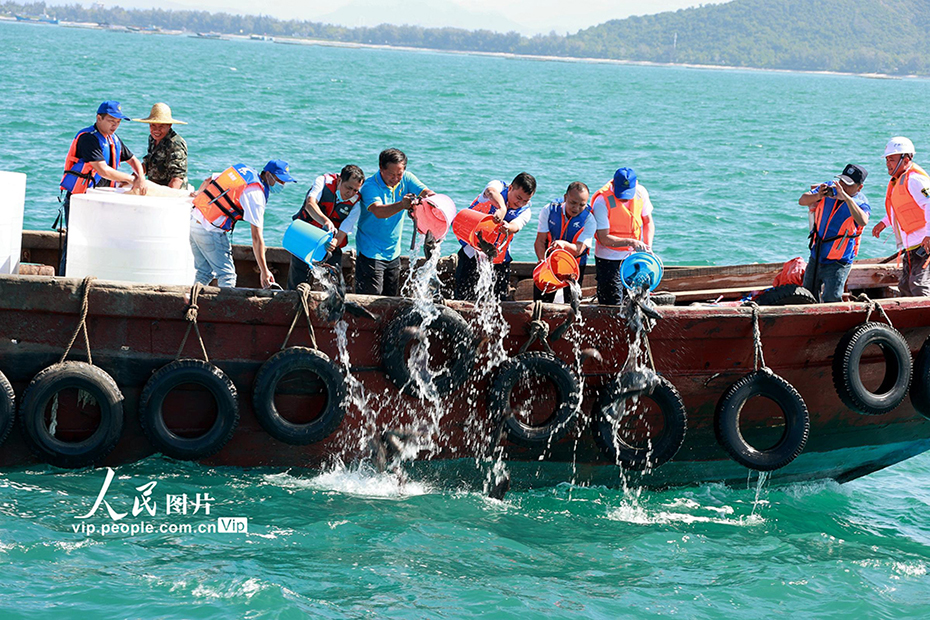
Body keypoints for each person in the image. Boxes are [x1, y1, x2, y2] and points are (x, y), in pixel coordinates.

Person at [58, 100, 146, 275]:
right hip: (81, 200)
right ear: (99, 118)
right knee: (75, 244)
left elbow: (133, 160)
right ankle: (64, 280)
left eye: (118, 122)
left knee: (101, 243)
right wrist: (131, 179)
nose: (115, 126)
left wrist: (141, 178)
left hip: (103, 200)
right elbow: (103, 170)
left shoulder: (113, 139)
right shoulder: (88, 138)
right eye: (111, 121)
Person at [190, 160, 296, 289]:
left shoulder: (243, 172)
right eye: (280, 180)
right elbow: (257, 238)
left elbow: (208, 180)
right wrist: (264, 270)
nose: (282, 184)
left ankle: (190, 304)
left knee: (204, 273)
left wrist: (198, 194)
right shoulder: (256, 195)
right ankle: (222, 308)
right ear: (268, 175)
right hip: (210, 230)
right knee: (227, 276)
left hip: (193, 220)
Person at [355, 148, 434, 296]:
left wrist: (432, 202)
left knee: (390, 298)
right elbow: (378, 211)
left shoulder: (407, 178)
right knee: (371, 299)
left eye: (399, 174)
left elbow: (427, 193)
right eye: (391, 174)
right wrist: (402, 205)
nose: (396, 178)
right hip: (370, 251)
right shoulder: (370, 186)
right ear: (381, 168)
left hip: (393, 252)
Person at [454, 172, 536, 301]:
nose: (520, 203)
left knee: (499, 299)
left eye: (525, 201)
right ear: (510, 188)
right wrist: (502, 208)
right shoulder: (497, 186)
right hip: (472, 250)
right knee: (464, 295)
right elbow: (490, 192)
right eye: (518, 197)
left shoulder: (526, 211)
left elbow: (517, 225)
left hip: (498, 257)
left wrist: (508, 228)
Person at [799, 164, 870, 302]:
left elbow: (863, 221)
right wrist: (819, 195)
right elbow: (802, 200)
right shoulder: (829, 187)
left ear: (859, 187)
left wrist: (846, 199)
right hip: (817, 254)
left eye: (848, 185)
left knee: (831, 297)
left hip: (839, 261)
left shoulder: (860, 203)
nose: (842, 186)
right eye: (841, 181)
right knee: (807, 294)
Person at [286, 164, 365, 290]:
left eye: (355, 190)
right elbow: (310, 204)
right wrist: (325, 221)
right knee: (297, 281)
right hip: (306, 237)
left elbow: (343, 231)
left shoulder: (356, 203)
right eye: (348, 188)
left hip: (328, 244)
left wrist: (334, 242)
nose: (350, 193)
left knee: (334, 284)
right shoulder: (322, 182)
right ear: (339, 180)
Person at [873, 137, 930, 297]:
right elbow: (901, 208)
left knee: (918, 286)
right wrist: (884, 222)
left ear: (905, 159)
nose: (888, 164)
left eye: (892, 159)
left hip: (924, 245)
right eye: (887, 159)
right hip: (912, 247)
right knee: (905, 286)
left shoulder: (915, 180)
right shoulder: (899, 181)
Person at [591, 167, 654, 305]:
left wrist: (647, 249)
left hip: (633, 257)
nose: (624, 198)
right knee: (612, 302)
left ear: (636, 184)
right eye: (621, 193)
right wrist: (631, 242)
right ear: (613, 184)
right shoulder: (602, 201)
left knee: (635, 301)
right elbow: (603, 237)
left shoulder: (641, 192)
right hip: (608, 258)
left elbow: (648, 222)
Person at [533, 181, 595, 302]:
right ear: (565, 197)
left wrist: (563, 244)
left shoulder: (589, 219)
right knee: (541, 301)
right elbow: (540, 241)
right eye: (573, 203)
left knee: (571, 305)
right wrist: (542, 261)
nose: (576, 208)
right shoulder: (549, 210)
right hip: (550, 263)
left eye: (582, 205)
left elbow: (578, 249)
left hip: (573, 267)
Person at [135, 102, 188, 189]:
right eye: (153, 125)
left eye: (161, 126)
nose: (156, 130)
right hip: (155, 188)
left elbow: (177, 178)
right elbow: (148, 163)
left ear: (169, 125)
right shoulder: (152, 138)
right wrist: (133, 178)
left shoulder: (175, 144)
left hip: (171, 192)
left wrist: (167, 199)